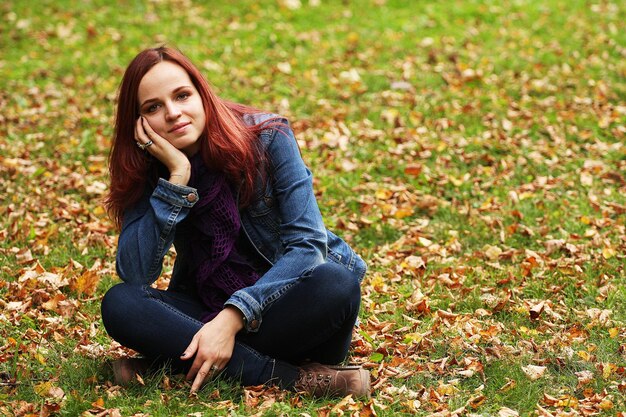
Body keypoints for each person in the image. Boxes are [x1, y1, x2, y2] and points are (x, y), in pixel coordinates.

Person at [100, 46, 370, 398]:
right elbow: (136, 273)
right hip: (208, 310)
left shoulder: (269, 137)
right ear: (139, 122)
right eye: (153, 107)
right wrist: (176, 180)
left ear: (202, 94)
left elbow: (308, 247)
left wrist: (231, 318)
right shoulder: (151, 168)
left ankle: (170, 362)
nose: (173, 113)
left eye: (182, 95)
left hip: (292, 308)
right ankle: (292, 378)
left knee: (336, 281)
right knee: (121, 303)